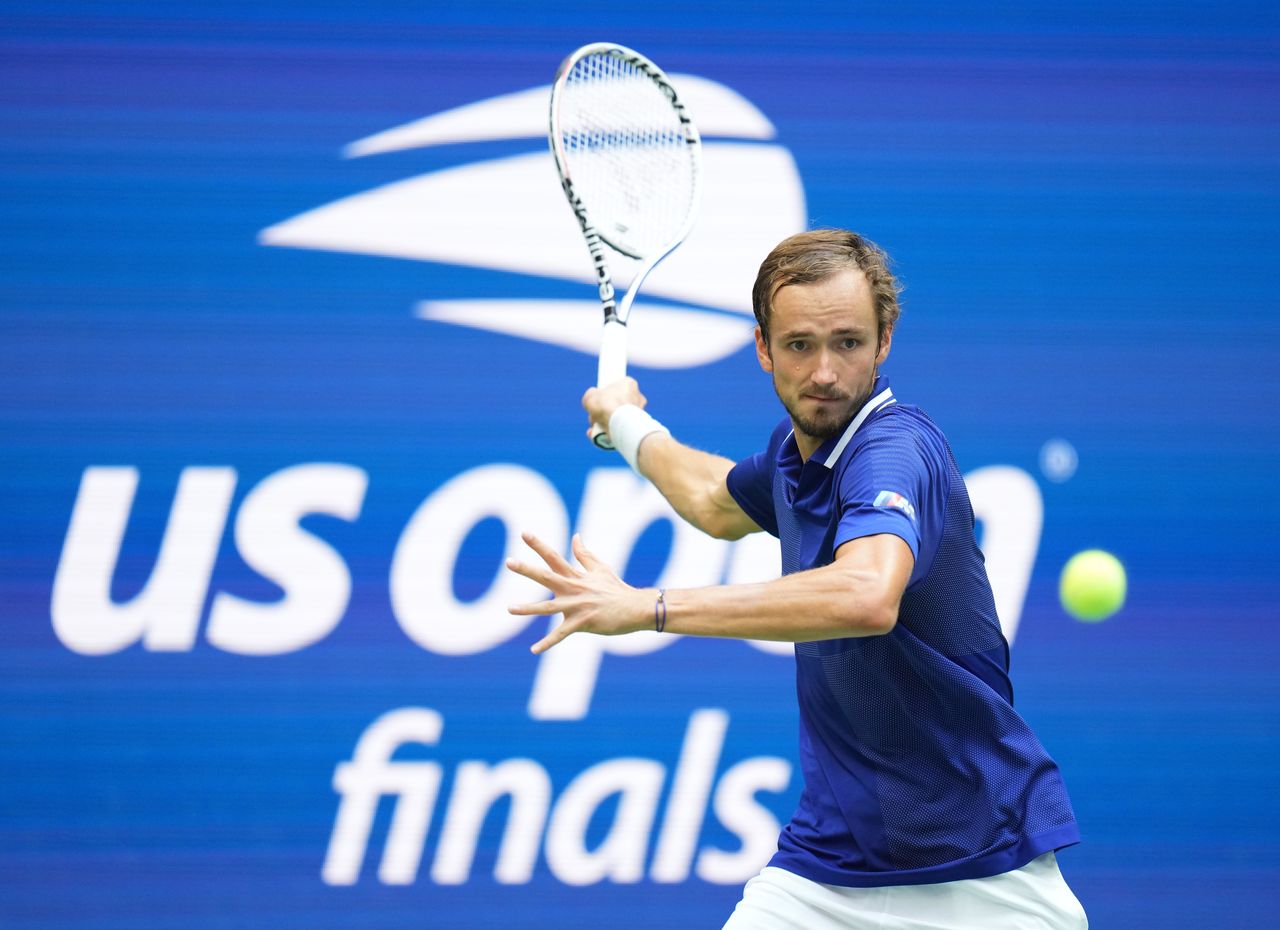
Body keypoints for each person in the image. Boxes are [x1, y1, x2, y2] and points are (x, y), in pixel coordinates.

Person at [505, 229, 1087, 929]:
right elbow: (715, 500)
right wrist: (627, 424)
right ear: (763, 348)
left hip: (982, 874)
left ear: (885, 341)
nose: (824, 373)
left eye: (847, 343)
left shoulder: (894, 452)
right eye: (800, 345)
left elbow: (867, 593)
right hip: (830, 870)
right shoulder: (796, 452)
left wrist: (650, 607)